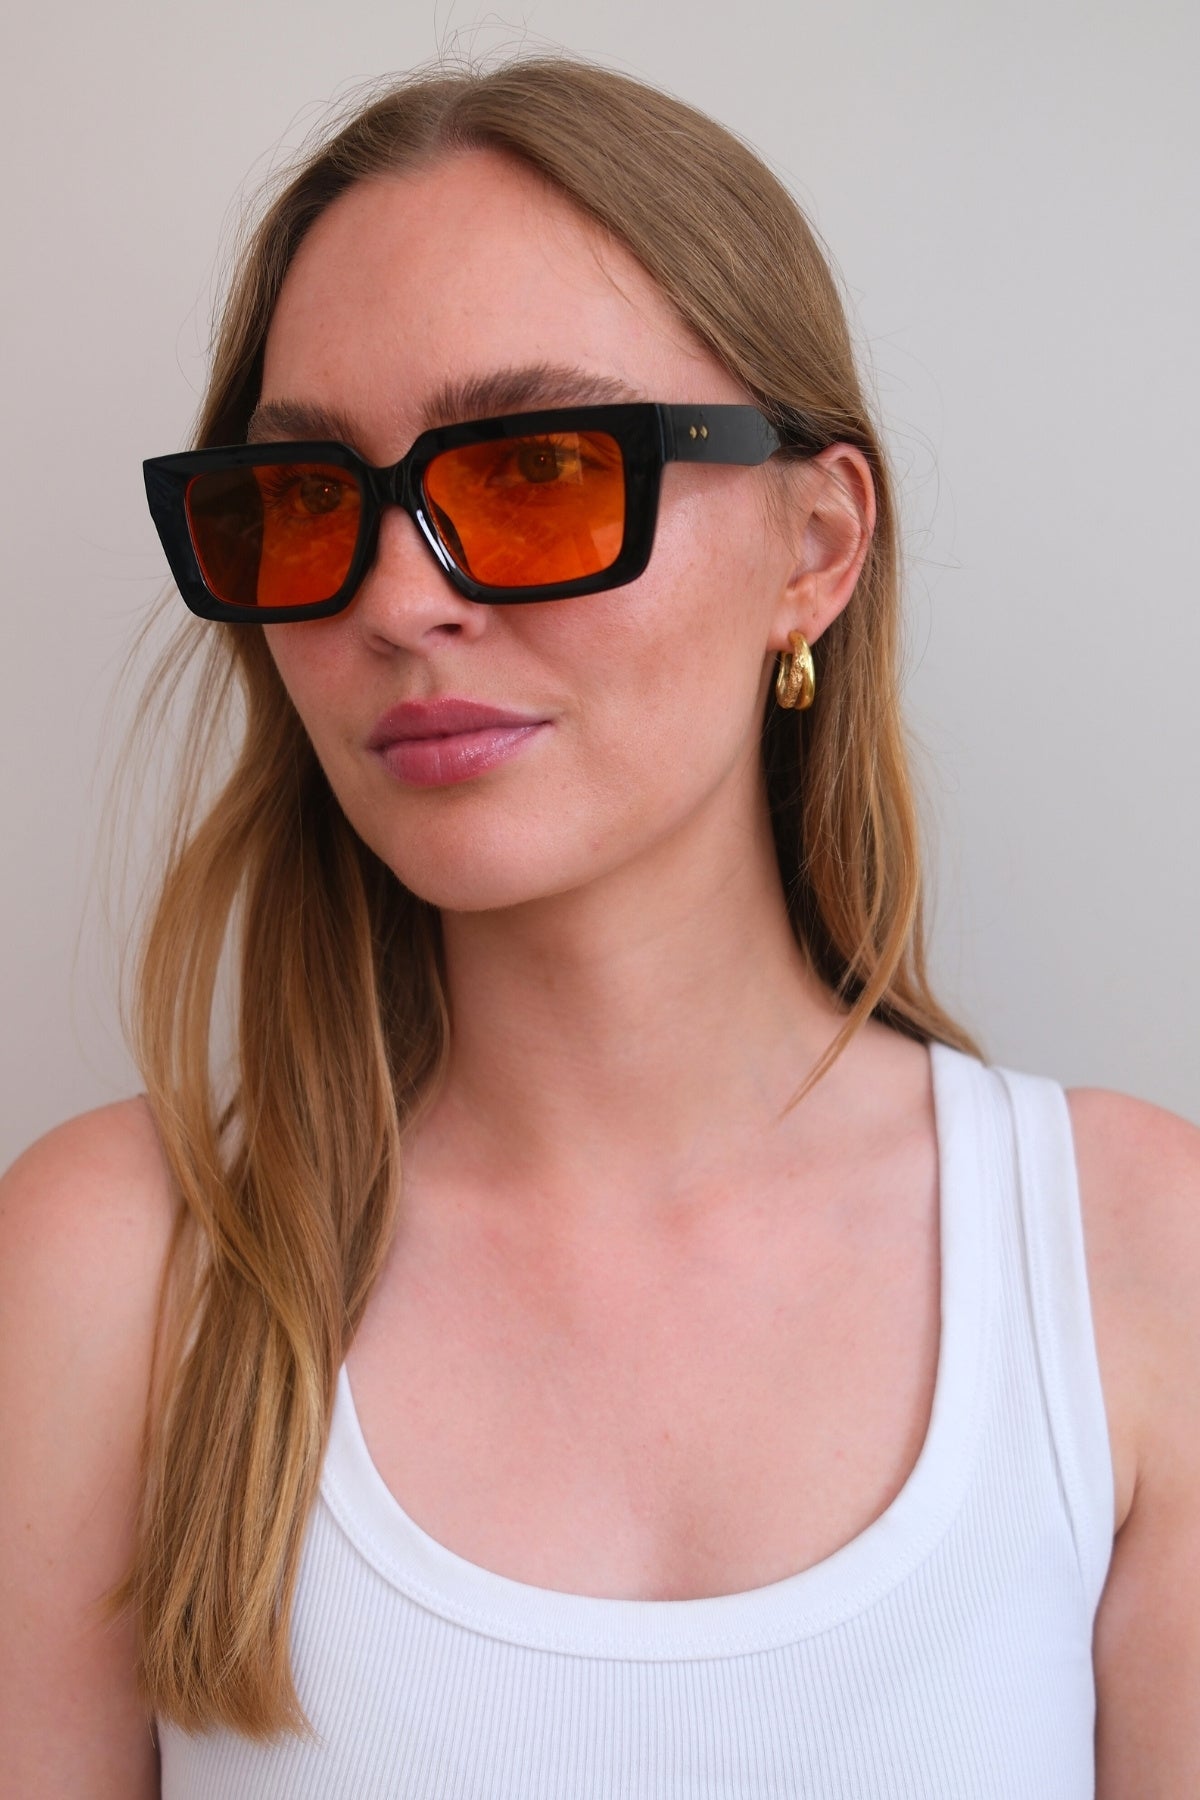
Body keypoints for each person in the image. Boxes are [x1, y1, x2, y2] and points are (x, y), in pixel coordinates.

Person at [2, 53, 1198, 1800]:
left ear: (815, 545)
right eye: (310, 498)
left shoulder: (1136, 1264)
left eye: (541, 469)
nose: (399, 599)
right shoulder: (116, 1270)